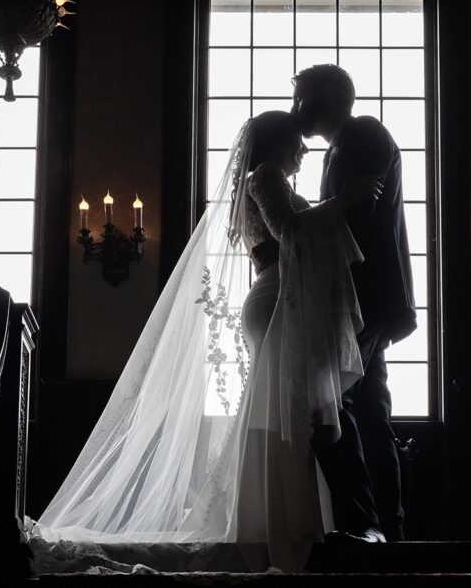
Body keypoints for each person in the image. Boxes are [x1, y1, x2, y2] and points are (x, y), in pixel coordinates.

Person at [25, 111, 382, 574]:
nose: (305, 149)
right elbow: (289, 230)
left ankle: (276, 523)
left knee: (280, 415)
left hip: (276, 299)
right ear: (276, 143)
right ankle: (277, 531)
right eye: (298, 140)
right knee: (283, 416)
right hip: (275, 300)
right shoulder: (265, 175)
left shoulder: (266, 177)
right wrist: (343, 201)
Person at [291, 64, 417, 543]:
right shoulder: (338, 151)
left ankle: (365, 523)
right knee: (368, 407)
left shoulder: (364, 133)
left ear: (325, 95)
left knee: (331, 398)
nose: (294, 108)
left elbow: (357, 218)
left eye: (299, 96)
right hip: (359, 301)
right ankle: (386, 527)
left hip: (364, 299)